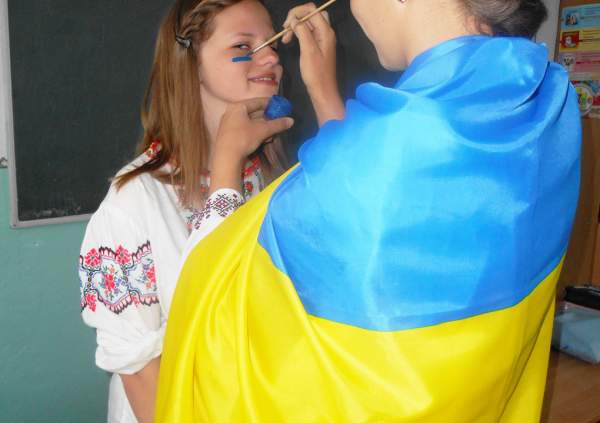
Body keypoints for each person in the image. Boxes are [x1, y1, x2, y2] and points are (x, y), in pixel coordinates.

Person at [157, 0, 582, 422]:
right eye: (242, 46)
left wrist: (226, 165)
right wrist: (323, 91)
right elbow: (363, 208)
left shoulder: (379, 154)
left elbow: (210, 310)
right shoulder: (549, 105)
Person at [77, 0, 297, 421]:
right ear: (191, 63)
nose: (271, 56)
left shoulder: (268, 178)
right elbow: (140, 370)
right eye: (244, 46)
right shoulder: (134, 202)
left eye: (271, 43)